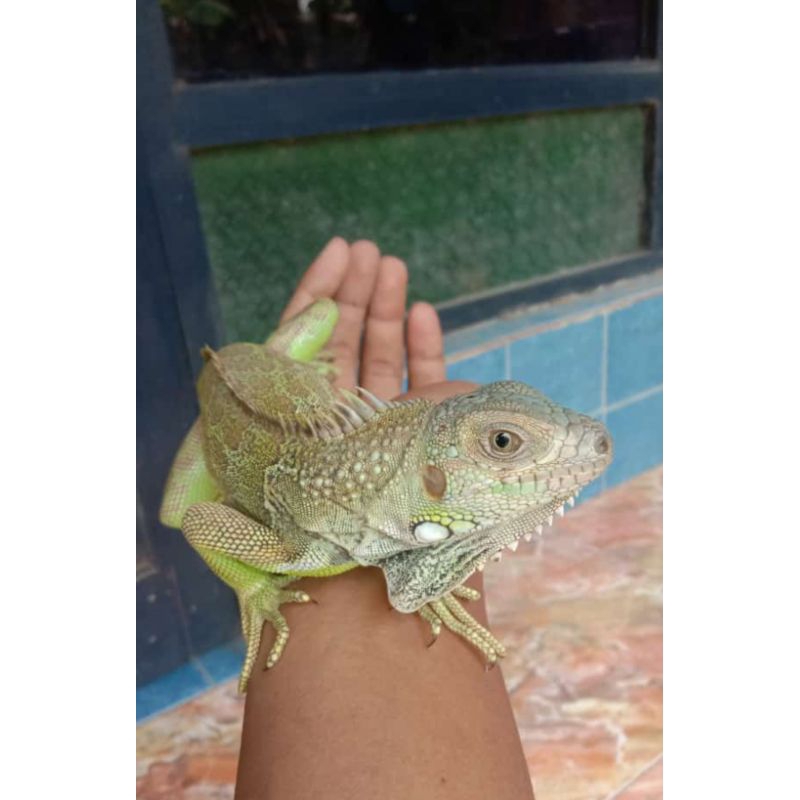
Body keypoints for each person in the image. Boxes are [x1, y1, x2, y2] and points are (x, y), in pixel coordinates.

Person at [234, 238, 536, 800]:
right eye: (502, 442)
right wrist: (252, 586)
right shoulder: (297, 547)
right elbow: (200, 519)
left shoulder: (404, 513)